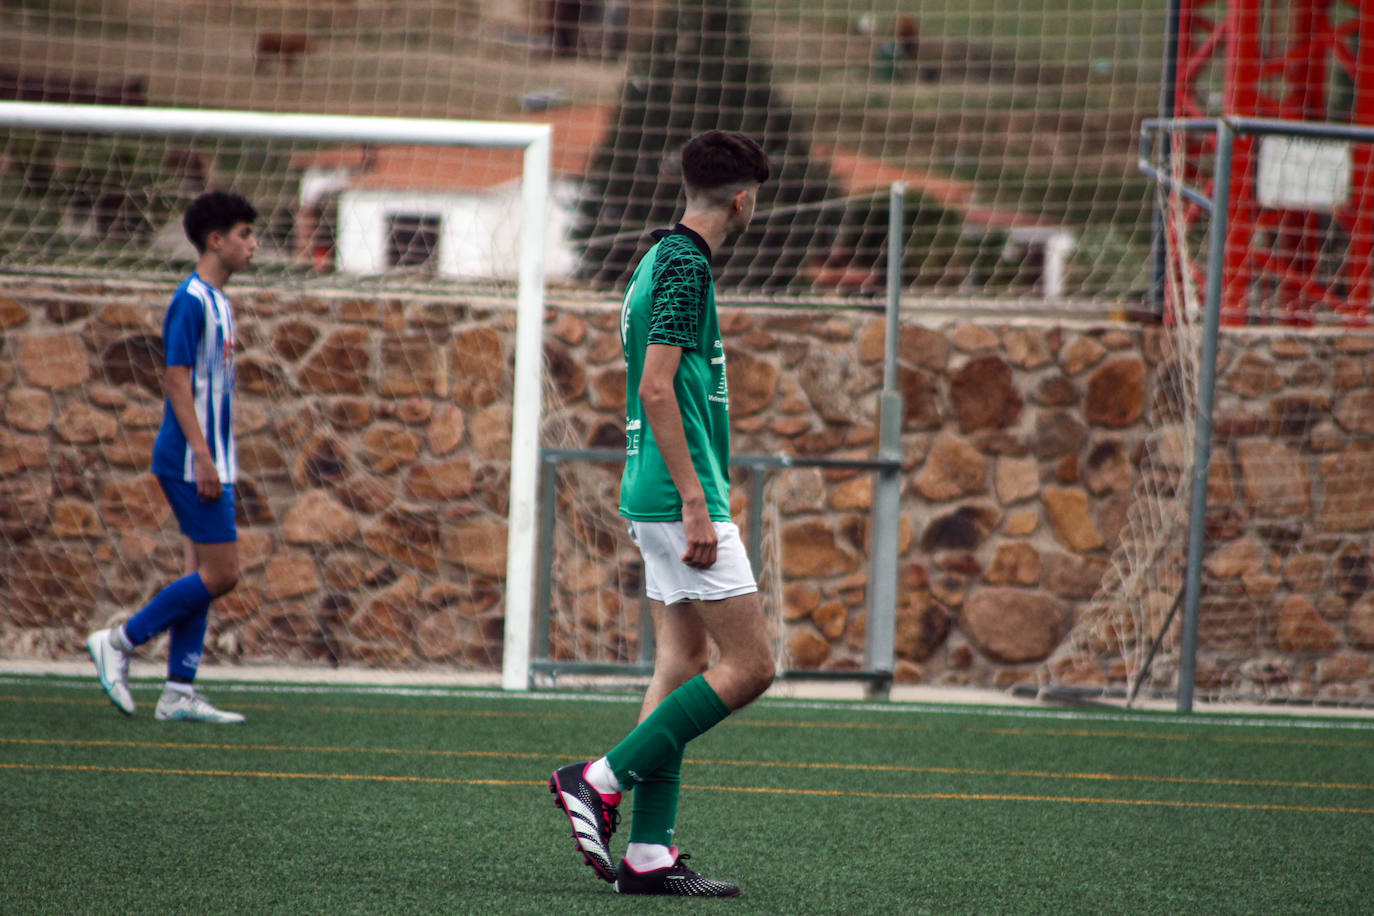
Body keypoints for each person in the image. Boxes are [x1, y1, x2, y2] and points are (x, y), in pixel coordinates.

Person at [549, 131, 775, 898]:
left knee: (680, 662)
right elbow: (654, 388)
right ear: (742, 199)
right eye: (757, 201)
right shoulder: (684, 265)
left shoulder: (656, 257)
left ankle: (648, 856)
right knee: (752, 667)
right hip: (680, 498)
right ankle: (599, 778)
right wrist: (695, 501)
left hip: (653, 491)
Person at [86, 190, 258, 724]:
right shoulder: (191, 300)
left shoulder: (221, 302)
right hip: (190, 461)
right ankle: (120, 639)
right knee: (223, 573)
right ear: (216, 240)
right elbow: (176, 381)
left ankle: (178, 690)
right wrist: (204, 457)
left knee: (200, 575)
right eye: (245, 235)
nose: (253, 245)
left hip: (211, 460)